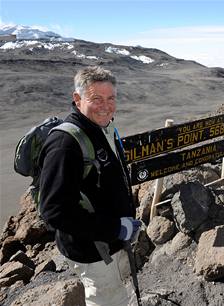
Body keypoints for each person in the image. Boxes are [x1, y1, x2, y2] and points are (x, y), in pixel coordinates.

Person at [39, 66, 142, 306]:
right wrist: (115, 228)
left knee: (116, 292)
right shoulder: (65, 144)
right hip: (93, 250)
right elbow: (54, 211)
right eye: (96, 98)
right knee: (107, 299)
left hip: (110, 242)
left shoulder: (103, 128)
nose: (105, 105)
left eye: (110, 98)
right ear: (77, 99)